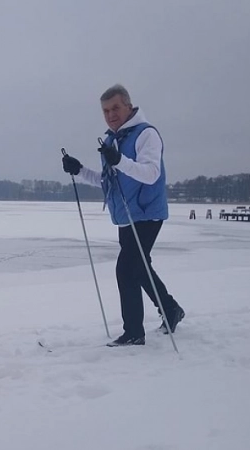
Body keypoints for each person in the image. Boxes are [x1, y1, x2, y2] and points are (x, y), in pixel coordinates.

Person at [61, 84, 185, 347]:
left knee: (126, 270)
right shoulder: (111, 140)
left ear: (128, 106)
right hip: (126, 216)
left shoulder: (146, 134)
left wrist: (118, 161)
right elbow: (107, 181)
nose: (110, 114)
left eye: (115, 108)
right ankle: (171, 309)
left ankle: (133, 332)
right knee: (139, 268)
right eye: (105, 110)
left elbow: (151, 173)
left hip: (147, 212)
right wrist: (79, 169)